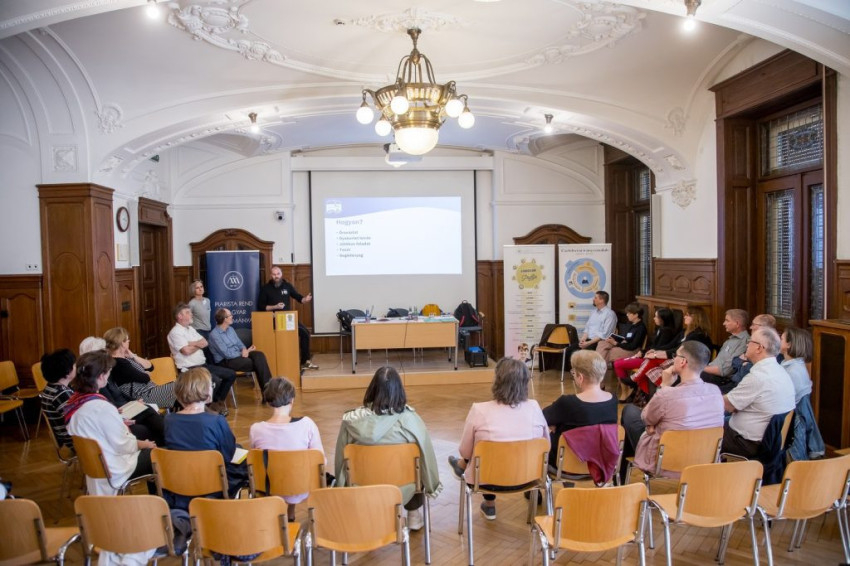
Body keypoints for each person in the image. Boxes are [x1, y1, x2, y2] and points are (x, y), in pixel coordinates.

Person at [334, 367, 441, 532]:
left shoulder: (351, 421)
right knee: (418, 465)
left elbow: (340, 459)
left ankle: (366, 515)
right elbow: (428, 457)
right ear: (399, 390)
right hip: (403, 489)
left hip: (361, 487)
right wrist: (432, 485)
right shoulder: (412, 420)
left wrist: (339, 487)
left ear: (372, 389)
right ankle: (413, 514)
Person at [448, 357, 548, 520]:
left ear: (497, 381)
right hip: (529, 478)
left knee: (483, 456)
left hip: (487, 480)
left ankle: (489, 505)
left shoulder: (479, 410)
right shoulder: (534, 407)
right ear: (525, 383)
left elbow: (465, 452)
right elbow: (545, 446)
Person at [620, 341, 724, 480]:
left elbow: (646, 418)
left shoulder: (667, 394)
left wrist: (664, 385)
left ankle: (622, 475)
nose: (673, 359)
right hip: (703, 461)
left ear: (682, 362)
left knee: (629, 411)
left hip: (665, 463)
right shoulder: (715, 391)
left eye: (676, 355)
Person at [65, 350, 156, 495]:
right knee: (158, 455)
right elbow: (123, 445)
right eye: (108, 372)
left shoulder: (74, 403)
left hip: (95, 467)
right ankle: (161, 502)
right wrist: (144, 444)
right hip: (114, 467)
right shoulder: (102, 408)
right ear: (101, 376)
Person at [163, 367, 248, 509]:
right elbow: (228, 454)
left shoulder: (169, 420)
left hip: (180, 483)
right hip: (213, 484)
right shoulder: (216, 421)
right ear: (208, 391)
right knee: (242, 455)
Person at [250, 377, 325, 522]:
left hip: (269, 487)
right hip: (301, 486)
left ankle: (280, 514)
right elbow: (321, 459)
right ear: (292, 400)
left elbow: (256, 461)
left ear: (269, 402)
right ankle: (290, 511)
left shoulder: (256, 429)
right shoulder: (307, 424)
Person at [722, 327, 796, 459]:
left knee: (701, 430)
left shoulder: (758, 376)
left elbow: (728, 405)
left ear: (759, 348)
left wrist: (708, 397)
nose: (747, 344)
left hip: (746, 442)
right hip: (770, 441)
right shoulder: (781, 371)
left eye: (750, 341)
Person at [79, 337, 165, 445]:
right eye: (104, 352)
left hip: (121, 413)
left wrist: (134, 401)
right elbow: (111, 407)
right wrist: (131, 406)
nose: (108, 354)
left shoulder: (103, 374)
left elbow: (119, 393)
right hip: (118, 417)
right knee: (149, 420)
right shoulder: (95, 381)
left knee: (151, 417)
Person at [542, 350, 617, 468]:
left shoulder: (567, 403)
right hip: (600, 464)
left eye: (573, 372)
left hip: (564, 465)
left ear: (580, 377)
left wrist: (555, 423)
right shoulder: (613, 400)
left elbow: (542, 418)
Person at [167, 302, 236, 414]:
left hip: (203, 366)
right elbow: (186, 351)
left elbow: (205, 342)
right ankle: (205, 407)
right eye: (188, 313)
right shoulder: (175, 332)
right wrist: (197, 344)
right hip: (189, 369)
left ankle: (215, 402)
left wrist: (191, 343)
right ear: (180, 316)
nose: (191, 314)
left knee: (231, 374)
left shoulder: (190, 329)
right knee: (214, 380)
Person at [257, 265, 317, 370]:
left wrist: (305, 299)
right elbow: (261, 306)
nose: (276, 276)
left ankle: (305, 362)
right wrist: (275, 307)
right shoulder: (265, 289)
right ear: (271, 275)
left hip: (287, 319)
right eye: (274, 274)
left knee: (305, 333)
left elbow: (298, 297)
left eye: (278, 274)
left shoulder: (287, 286)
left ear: (281, 274)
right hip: (272, 320)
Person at [613, 307, 679, 401]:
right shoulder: (660, 329)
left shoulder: (667, 331)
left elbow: (659, 348)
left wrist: (643, 353)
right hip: (648, 355)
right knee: (617, 363)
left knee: (618, 364)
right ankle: (627, 389)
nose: (654, 318)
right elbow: (652, 346)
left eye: (656, 317)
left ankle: (628, 389)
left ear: (663, 318)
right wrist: (642, 351)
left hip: (653, 359)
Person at [642, 306, 714, 390]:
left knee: (653, 370)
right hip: (680, 360)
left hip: (690, 366)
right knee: (651, 370)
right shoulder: (685, 331)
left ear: (696, 318)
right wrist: (655, 351)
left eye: (687, 315)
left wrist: (656, 354)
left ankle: (659, 393)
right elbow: (671, 345)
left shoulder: (698, 335)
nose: (684, 317)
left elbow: (680, 351)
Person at [104, 327, 176, 409]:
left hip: (151, 389)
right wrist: (146, 374)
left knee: (183, 387)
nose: (129, 341)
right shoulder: (119, 363)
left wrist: (133, 356)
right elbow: (145, 378)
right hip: (142, 395)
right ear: (122, 343)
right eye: (127, 340)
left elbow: (150, 367)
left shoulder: (126, 358)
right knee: (182, 387)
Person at [781, 327, 825, 461]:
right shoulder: (790, 365)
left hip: (790, 429)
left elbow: (781, 403)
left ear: (789, 344)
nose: (778, 341)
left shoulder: (793, 372)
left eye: (781, 338)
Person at [208, 308, 272, 390]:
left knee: (260, 355)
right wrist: (242, 353)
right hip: (226, 361)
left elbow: (240, 344)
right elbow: (227, 354)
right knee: (256, 363)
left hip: (239, 355)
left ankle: (269, 390)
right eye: (230, 315)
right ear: (224, 319)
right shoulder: (214, 335)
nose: (232, 316)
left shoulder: (230, 329)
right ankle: (269, 391)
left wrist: (244, 349)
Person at [723, 314, 779, 394]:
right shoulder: (754, 340)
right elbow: (735, 360)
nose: (750, 327)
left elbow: (746, 372)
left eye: (753, 324)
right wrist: (744, 363)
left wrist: (744, 364)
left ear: (763, 327)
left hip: (742, 387)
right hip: (733, 383)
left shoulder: (767, 345)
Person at [39, 348, 77, 449]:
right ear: (67, 372)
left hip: (70, 438)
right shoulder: (61, 394)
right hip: (76, 441)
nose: (76, 367)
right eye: (74, 365)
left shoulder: (51, 387)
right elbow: (79, 421)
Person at [701, 309, 749, 389]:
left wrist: (699, 368)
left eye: (727, 320)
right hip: (710, 372)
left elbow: (725, 371)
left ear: (737, 324)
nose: (724, 323)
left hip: (721, 380)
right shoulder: (730, 340)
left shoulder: (744, 342)